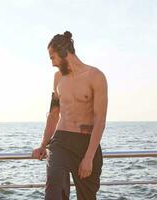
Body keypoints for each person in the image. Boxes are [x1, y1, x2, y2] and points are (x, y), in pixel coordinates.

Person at [32, 31, 108, 200]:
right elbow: (53, 114)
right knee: (54, 188)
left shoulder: (95, 76)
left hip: (86, 143)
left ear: (64, 51)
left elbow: (100, 119)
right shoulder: (58, 78)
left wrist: (88, 157)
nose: (51, 63)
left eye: (52, 57)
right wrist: (43, 144)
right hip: (60, 142)